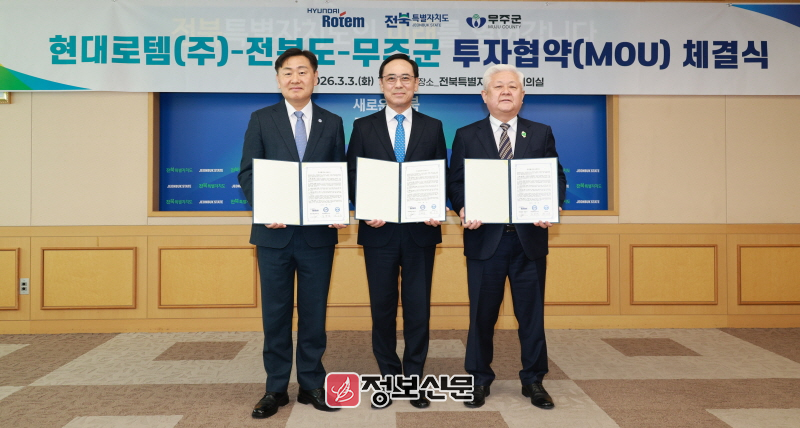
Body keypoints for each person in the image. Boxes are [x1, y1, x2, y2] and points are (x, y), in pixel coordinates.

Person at [447, 64, 567, 410]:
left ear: (522, 95)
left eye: (512, 87)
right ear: (485, 95)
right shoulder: (467, 134)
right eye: (498, 86)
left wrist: (551, 205)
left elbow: (555, 177)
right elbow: (456, 181)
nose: (505, 92)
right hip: (486, 240)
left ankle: (533, 380)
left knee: (531, 316)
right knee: (482, 316)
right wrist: (464, 207)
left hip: (529, 241)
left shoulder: (540, 133)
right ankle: (479, 379)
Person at [238, 48, 347, 419]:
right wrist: (265, 207)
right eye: (287, 72)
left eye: (303, 71)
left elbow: (338, 172)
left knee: (314, 314)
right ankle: (275, 388)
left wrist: (339, 206)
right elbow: (247, 172)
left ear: (316, 77)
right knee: (276, 314)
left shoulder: (333, 122)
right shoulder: (261, 119)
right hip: (274, 235)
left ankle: (312, 383)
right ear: (278, 79)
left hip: (318, 235)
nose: (295, 78)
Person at [346, 53, 447, 409]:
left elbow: (440, 173)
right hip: (379, 232)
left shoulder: (433, 126)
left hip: (421, 232)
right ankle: (389, 378)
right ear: (381, 84)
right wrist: (365, 207)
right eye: (391, 78)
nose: (399, 84)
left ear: (416, 84)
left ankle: (414, 378)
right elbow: (353, 174)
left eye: (406, 78)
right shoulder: (363, 126)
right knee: (383, 309)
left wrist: (436, 207)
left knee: (418, 309)